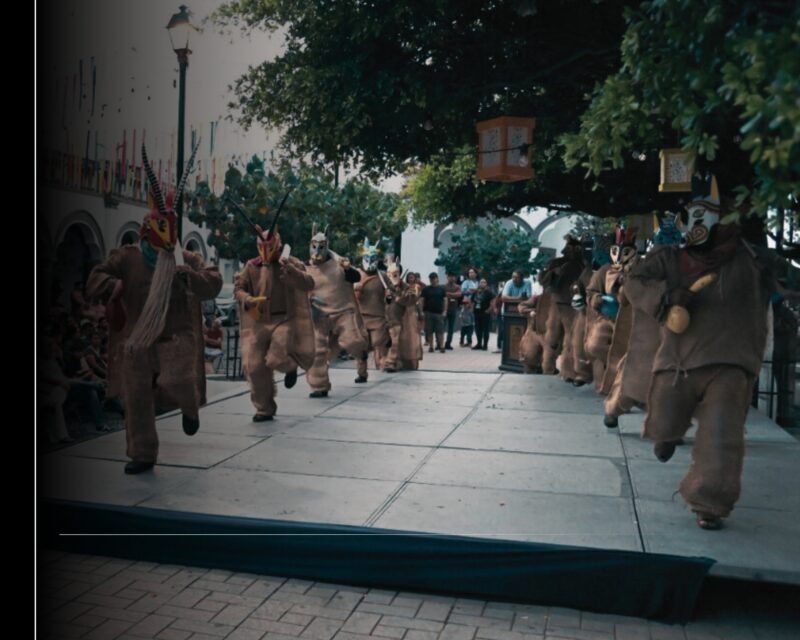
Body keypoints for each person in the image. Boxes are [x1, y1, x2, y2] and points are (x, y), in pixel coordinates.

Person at [625, 174, 780, 530]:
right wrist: (665, 298)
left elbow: (787, 283)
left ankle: (710, 501)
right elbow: (634, 281)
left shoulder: (754, 261)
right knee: (665, 421)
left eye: (705, 216)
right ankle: (665, 436)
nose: (696, 225)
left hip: (731, 364)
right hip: (676, 362)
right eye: (693, 216)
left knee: (722, 436)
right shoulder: (670, 259)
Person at [86, 143, 222, 474]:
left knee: (177, 379)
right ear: (148, 229)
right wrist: (111, 288)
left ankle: (189, 408)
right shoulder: (128, 257)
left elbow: (214, 281)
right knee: (136, 398)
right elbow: (95, 278)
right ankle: (142, 453)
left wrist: (189, 275)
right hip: (138, 339)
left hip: (176, 336)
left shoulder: (184, 258)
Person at [235, 220, 315, 421]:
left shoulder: (290, 262)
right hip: (258, 322)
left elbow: (308, 283)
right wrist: (247, 299)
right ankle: (264, 407)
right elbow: (239, 288)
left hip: (284, 320)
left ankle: (290, 366)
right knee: (253, 366)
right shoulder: (251, 266)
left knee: (277, 356)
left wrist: (292, 271)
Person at [306, 224, 368, 398]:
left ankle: (362, 359)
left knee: (354, 342)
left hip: (342, 312)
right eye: (314, 245)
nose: (317, 249)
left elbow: (354, 277)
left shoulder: (340, 264)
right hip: (319, 316)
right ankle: (319, 386)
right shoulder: (305, 268)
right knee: (317, 352)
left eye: (321, 246)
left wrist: (347, 268)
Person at [353, 238, 390, 382]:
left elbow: (391, 298)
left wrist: (389, 297)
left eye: (372, 258)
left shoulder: (383, 277)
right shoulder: (357, 275)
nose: (369, 261)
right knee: (361, 348)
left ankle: (382, 362)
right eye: (367, 258)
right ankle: (361, 374)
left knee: (377, 342)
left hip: (378, 317)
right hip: (360, 317)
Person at [383, 258, 422, 371]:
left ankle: (391, 362)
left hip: (400, 318)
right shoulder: (385, 285)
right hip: (384, 318)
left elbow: (411, 300)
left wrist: (397, 295)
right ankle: (388, 361)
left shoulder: (408, 287)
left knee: (396, 341)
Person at [498, 270, 532, 351]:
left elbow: (529, 297)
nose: (514, 279)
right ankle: (504, 348)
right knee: (505, 330)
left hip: (522, 311)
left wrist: (514, 299)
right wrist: (518, 298)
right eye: (513, 277)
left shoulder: (527, 283)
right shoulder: (509, 283)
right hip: (508, 311)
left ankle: (521, 348)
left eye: (516, 277)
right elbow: (503, 298)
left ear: (522, 278)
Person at [421, 272, 448, 353]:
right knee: (429, 331)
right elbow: (422, 300)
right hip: (428, 312)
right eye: (431, 278)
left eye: (434, 278)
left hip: (439, 313)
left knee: (440, 331)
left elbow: (445, 300)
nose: (432, 280)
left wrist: (445, 311)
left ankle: (442, 346)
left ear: (437, 279)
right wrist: (421, 311)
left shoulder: (442, 289)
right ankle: (431, 346)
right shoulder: (426, 289)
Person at [471, 278, 495, 351]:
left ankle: (485, 345)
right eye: (481, 282)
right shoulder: (476, 292)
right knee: (478, 329)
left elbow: (493, 301)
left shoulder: (489, 292)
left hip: (485, 313)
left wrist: (489, 310)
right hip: (477, 313)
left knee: (485, 330)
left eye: (484, 282)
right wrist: (472, 309)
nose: (482, 283)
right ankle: (479, 344)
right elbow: (472, 301)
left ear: (486, 284)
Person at [443, 272, 462, 350]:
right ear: (447, 277)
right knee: (441, 327)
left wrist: (448, 294)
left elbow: (459, 294)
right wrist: (453, 294)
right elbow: (443, 294)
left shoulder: (457, 286)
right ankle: (439, 343)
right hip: (444, 309)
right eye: (450, 276)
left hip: (453, 309)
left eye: (453, 276)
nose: (452, 278)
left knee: (451, 328)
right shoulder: (443, 286)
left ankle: (448, 343)